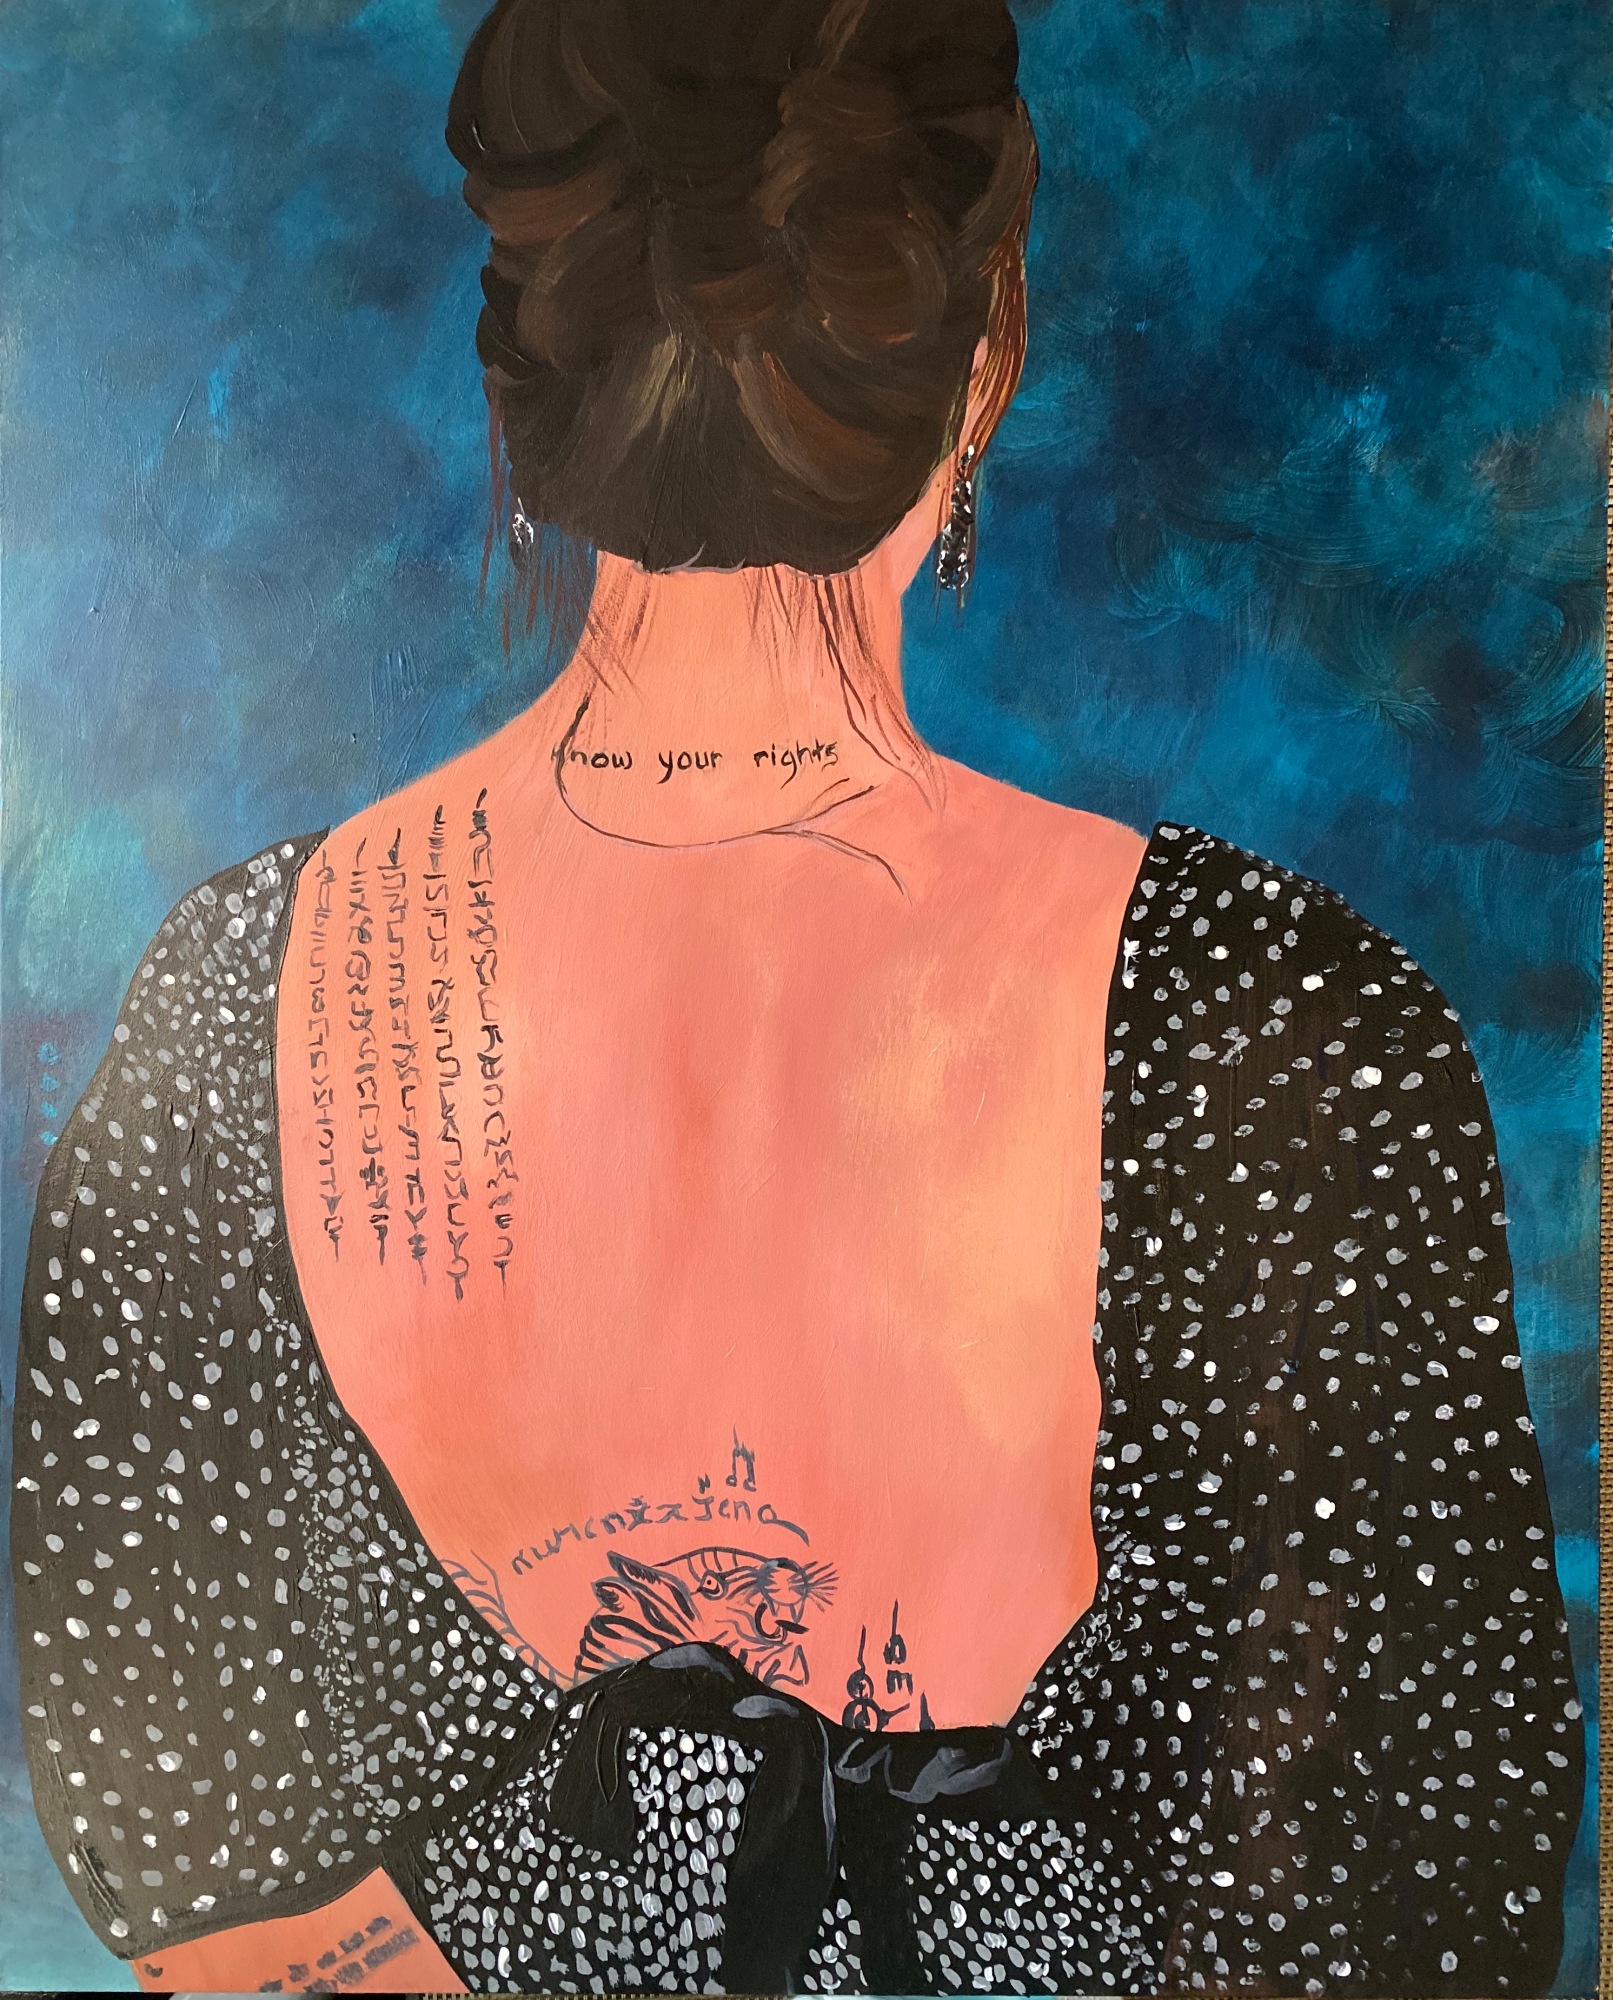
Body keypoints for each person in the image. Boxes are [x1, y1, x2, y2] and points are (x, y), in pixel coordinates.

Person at [11, 0, 1583, 1992]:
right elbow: (1419, 1896)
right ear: (986, 353)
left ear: (526, 396)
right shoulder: (1286, 1032)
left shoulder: (236, 999)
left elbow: (188, 1876)